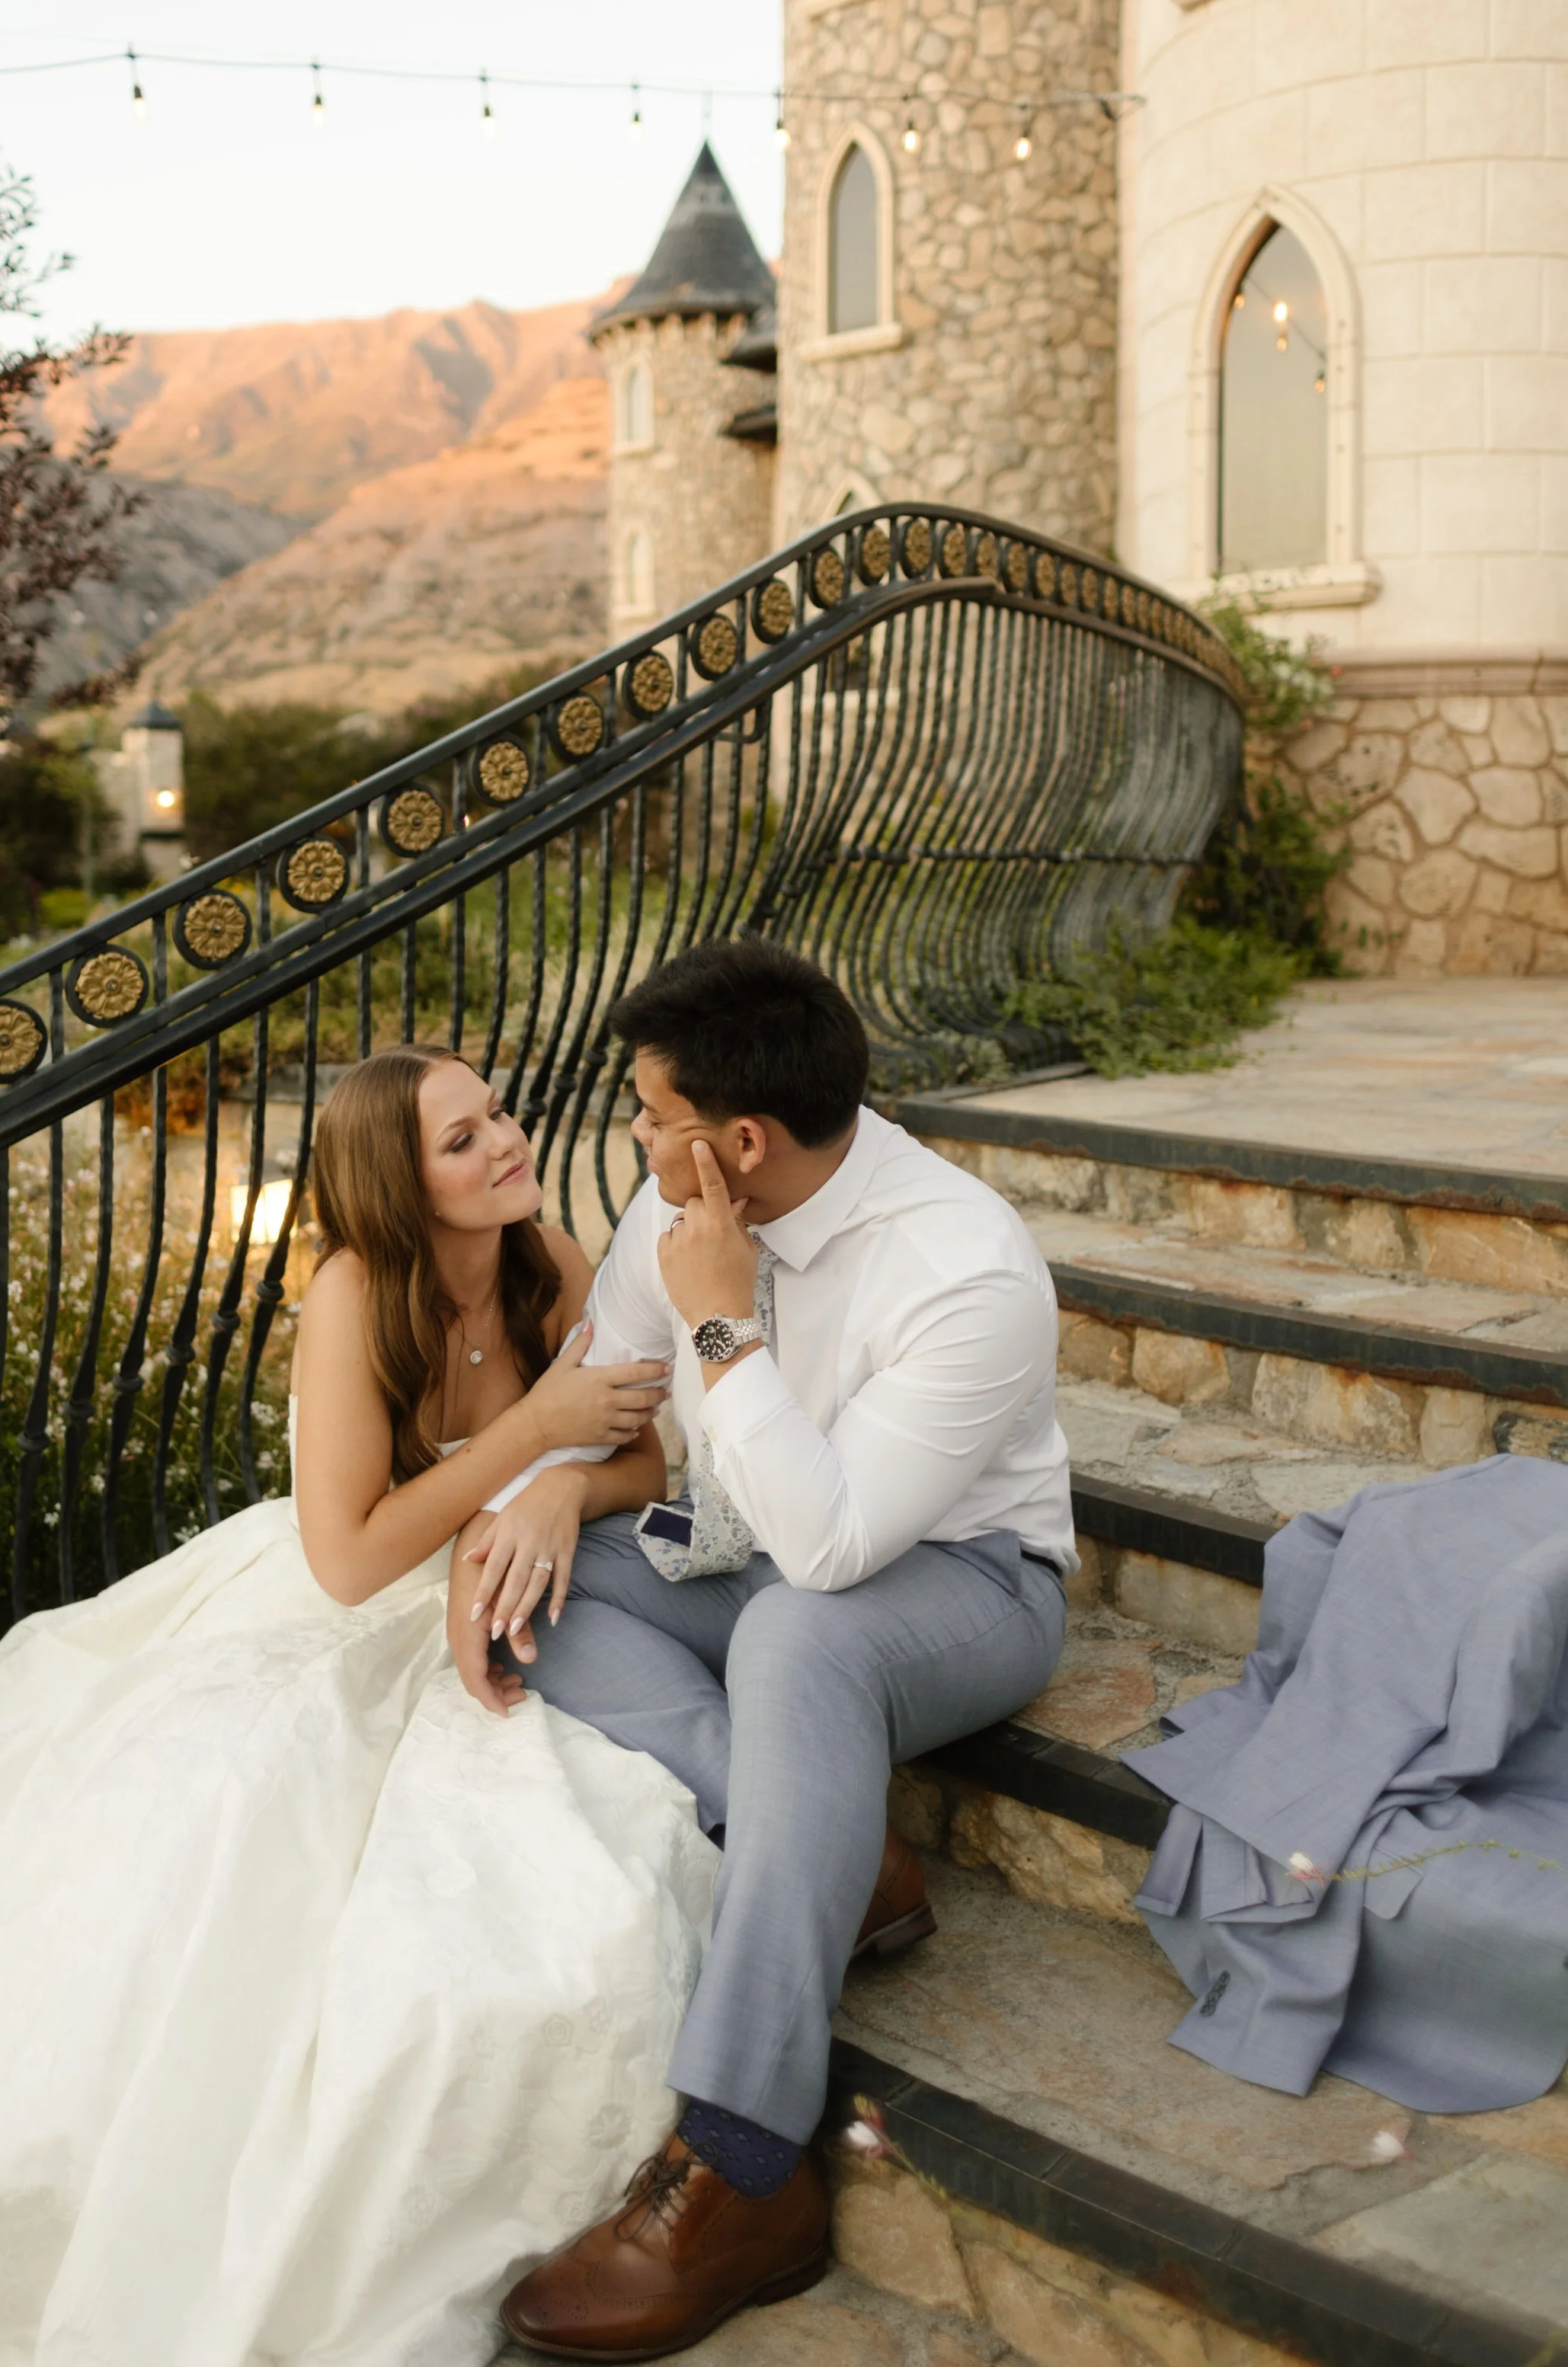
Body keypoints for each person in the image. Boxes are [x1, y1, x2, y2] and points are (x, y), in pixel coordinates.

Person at [0, 1045, 714, 2367]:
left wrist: (557, 1486)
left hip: (502, 1579)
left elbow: (643, 1449)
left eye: (497, 1110)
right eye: (464, 1137)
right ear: (401, 1181)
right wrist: (528, 1435)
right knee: (226, 1810)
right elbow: (346, 1560)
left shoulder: (547, 1256)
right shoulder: (351, 1293)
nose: (506, 1139)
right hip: (354, 1602)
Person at [451, 937, 1074, 2362]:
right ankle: (828, 1847)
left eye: (647, 1115)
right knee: (525, 1578)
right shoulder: (670, 1206)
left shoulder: (964, 1264)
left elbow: (837, 1549)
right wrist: (542, 1489)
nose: (630, 1135)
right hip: (745, 1555)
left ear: (736, 1143)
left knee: (800, 1630)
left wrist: (722, 1317)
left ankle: (744, 2164)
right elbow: (603, 1394)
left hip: (966, 1585)